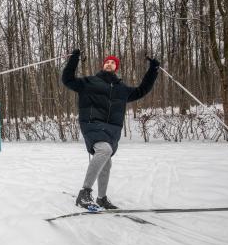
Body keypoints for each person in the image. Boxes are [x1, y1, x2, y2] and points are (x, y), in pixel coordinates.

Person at [62, 49, 160, 210]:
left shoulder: (122, 90)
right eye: (107, 61)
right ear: (103, 65)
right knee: (104, 150)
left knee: (106, 163)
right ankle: (84, 193)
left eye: (113, 62)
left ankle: (102, 198)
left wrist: (153, 70)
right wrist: (74, 59)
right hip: (91, 123)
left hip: (112, 129)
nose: (109, 63)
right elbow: (68, 80)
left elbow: (142, 89)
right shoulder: (89, 82)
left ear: (116, 67)